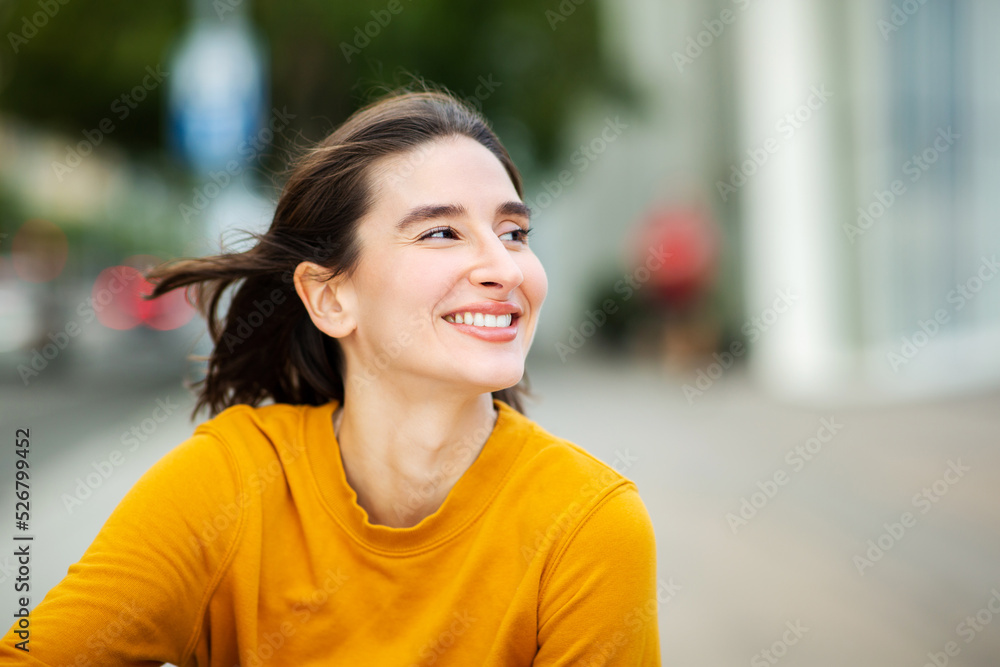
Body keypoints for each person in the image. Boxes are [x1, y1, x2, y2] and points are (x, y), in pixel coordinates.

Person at [1, 86, 661, 665]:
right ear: (329, 297)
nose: (506, 268)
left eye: (514, 233)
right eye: (441, 233)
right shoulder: (231, 480)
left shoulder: (588, 525)